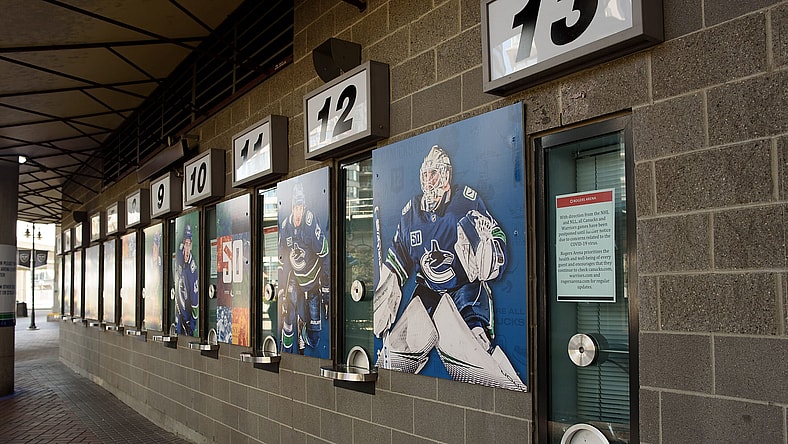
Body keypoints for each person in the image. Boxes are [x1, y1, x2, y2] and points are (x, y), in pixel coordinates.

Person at [374, 145, 526, 391]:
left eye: (433, 174)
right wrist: (385, 293)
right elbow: (398, 255)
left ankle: (483, 350)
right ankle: (405, 350)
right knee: (403, 344)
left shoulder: (465, 201)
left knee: (472, 339)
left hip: (463, 288)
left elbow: (494, 233)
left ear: (446, 176)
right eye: (425, 175)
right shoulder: (411, 212)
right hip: (428, 291)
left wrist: (492, 252)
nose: (428, 181)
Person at [278, 182, 330, 354]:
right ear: (292, 208)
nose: (298, 212)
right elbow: (282, 259)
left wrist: (326, 288)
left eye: (300, 208)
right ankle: (285, 352)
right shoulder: (286, 226)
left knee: (315, 336)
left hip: (313, 280)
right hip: (295, 277)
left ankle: (305, 330)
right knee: (288, 314)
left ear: (304, 207)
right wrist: (280, 290)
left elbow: (325, 254)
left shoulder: (310, 223)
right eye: (295, 208)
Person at [174, 224, 198, 336]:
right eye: (185, 244)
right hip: (178, 313)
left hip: (186, 320)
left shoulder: (192, 271)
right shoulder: (179, 255)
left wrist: (191, 326)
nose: (187, 248)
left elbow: (195, 304)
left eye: (189, 245)